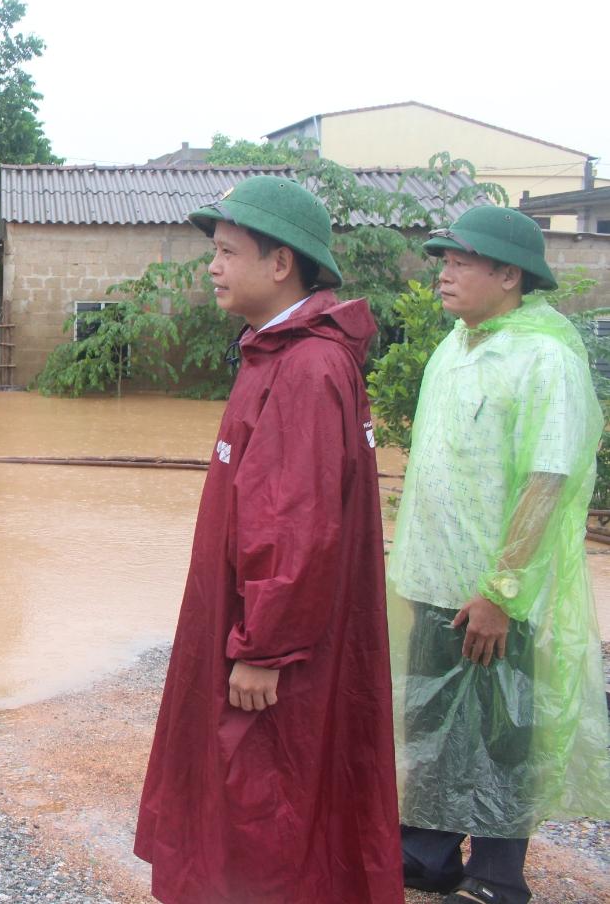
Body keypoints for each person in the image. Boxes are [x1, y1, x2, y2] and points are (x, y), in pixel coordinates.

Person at [134, 176, 403, 903]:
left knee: (266, 799)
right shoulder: (274, 353)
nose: (212, 266)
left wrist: (263, 649)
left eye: (226, 251)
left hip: (275, 645)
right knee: (270, 797)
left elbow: (295, 523)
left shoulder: (307, 367)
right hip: (261, 628)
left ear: (280, 263)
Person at [388, 205, 610, 904]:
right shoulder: (454, 346)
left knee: (500, 728)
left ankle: (496, 874)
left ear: (508, 274)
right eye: (444, 262)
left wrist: (503, 590)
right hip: (434, 579)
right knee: (430, 720)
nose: (444, 275)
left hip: (494, 593)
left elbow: (548, 479)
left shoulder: (547, 356)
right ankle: (427, 853)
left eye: (460, 262)